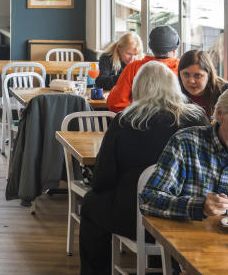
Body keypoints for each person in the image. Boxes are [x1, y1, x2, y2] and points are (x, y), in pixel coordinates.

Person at [78, 62, 207, 275]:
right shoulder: (196, 118)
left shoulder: (127, 119)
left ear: (139, 87)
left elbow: (104, 176)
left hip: (136, 215)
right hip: (187, 212)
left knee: (92, 204)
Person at [139, 83, 228, 220]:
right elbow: (149, 200)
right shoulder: (185, 143)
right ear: (220, 114)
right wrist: (199, 207)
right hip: (188, 241)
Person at [105, 25, 180, 113]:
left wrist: (132, 121)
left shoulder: (133, 67)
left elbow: (116, 103)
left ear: (151, 47)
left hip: (138, 123)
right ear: (175, 50)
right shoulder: (183, 68)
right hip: (177, 124)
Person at [177, 49, 228, 119]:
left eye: (197, 75)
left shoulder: (227, 93)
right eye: (186, 75)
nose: (191, 81)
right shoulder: (174, 93)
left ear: (209, 75)